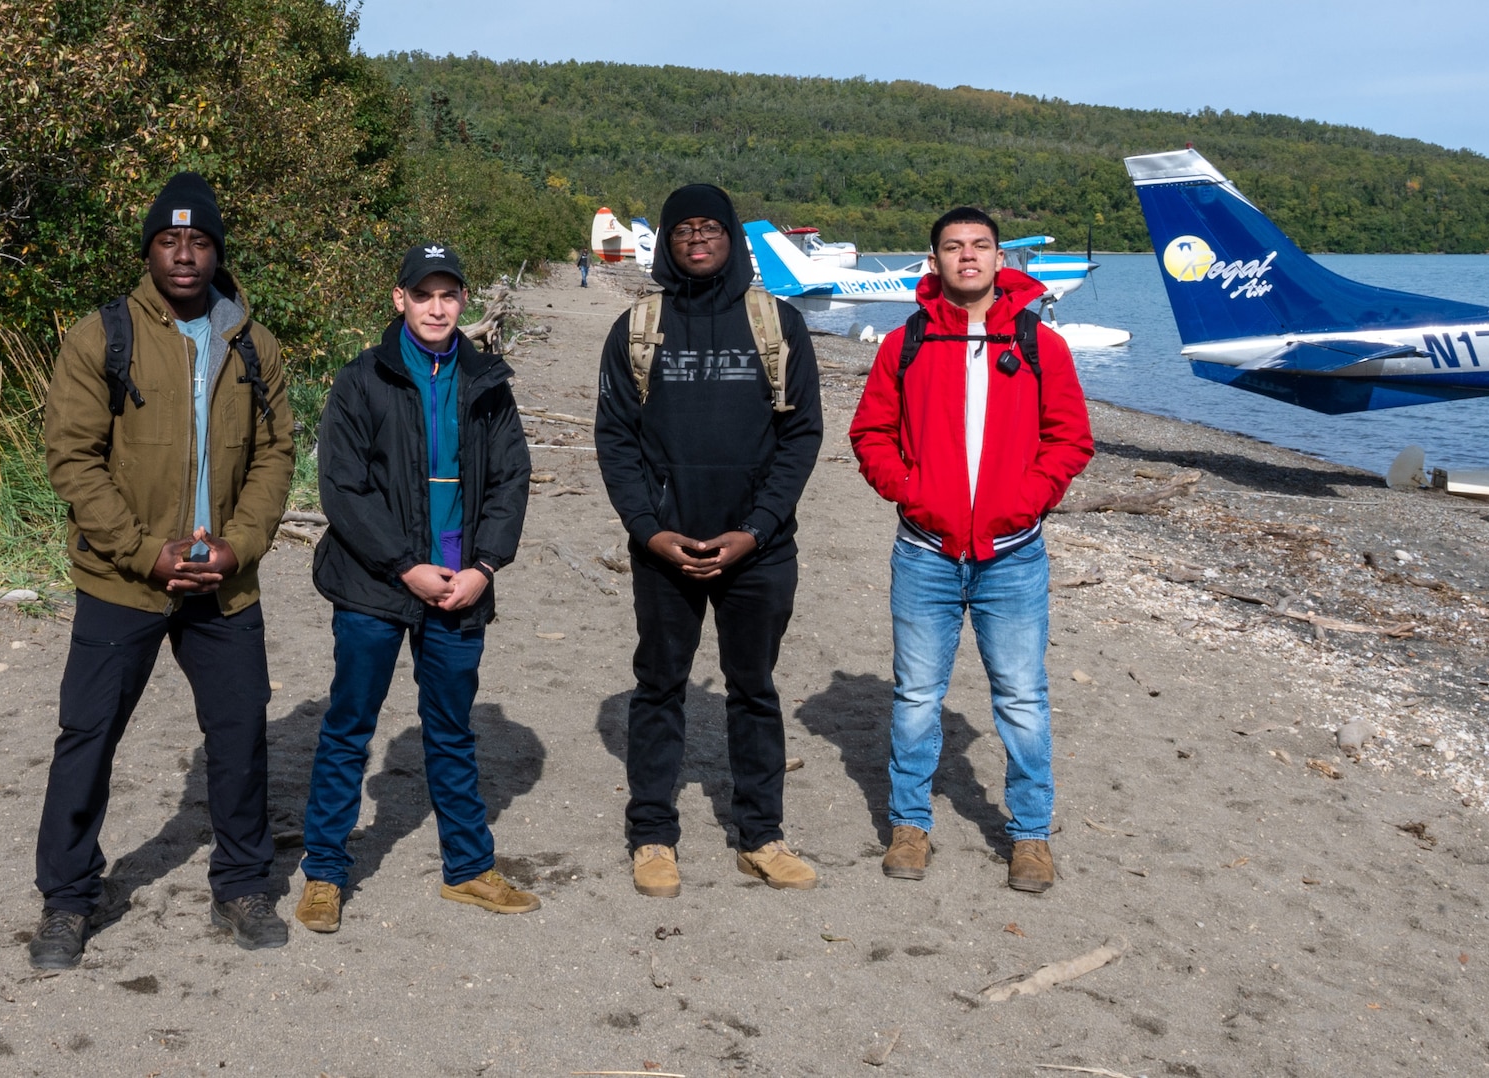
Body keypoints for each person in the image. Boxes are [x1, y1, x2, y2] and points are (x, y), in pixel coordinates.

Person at [31, 172, 296, 969]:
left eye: (200, 240)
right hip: (123, 579)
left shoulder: (255, 343)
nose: (185, 255)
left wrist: (237, 546)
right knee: (88, 735)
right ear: (149, 249)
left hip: (225, 581)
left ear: (218, 252)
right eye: (169, 240)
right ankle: (68, 900)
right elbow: (72, 459)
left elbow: (276, 456)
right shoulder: (100, 337)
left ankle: (243, 886)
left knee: (240, 733)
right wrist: (147, 551)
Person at [847, 206, 1094, 893]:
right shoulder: (906, 344)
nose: (967, 257)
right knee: (918, 696)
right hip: (925, 550)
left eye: (980, 246)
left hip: (1013, 554)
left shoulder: (1042, 344)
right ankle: (909, 824)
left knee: (1021, 699)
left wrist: (1028, 499)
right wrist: (911, 491)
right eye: (953, 247)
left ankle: (1030, 837)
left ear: (997, 259)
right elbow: (871, 432)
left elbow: (1071, 437)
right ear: (934, 261)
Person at [295, 242, 537, 933]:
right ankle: (324, 874)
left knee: (452, 730)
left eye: (449, 294)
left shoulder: (488, 382)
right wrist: (405, 564)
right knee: (349, 729)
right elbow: (342, 488)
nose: (437, 307)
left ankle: (468, 869)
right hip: (374, 583)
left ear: (465, 302)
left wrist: (484, 568)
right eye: (423, 293)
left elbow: (511, 481)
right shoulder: (362, 379)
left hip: (463, 583)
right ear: (399, 299)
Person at [594, 184, 824, 898]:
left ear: (731, 237)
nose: (697, 238)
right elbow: (615, 439)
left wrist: (754, 530)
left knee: (753, 690)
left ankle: (761, 835)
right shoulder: (637, 327)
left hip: (759, 549)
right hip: (664, 548)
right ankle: (653, 835)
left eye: (710, 227)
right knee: (659, 688)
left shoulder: (776, 322)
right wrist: (650, 530)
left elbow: (801, 435)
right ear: (666, 242)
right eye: (683, 229)